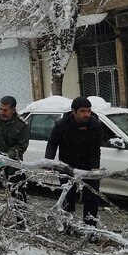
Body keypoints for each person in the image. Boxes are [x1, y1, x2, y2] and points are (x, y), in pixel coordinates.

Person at [44, 97, 103, 233]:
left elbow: (96, 149)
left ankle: (90, 229)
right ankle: (68, 226)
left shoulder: (95, 125)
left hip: (88, 164)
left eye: (89, 111)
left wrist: (94, 169)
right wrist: (49, 160)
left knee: (92, 198)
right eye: (82, 111)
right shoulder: (61, 124)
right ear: (73, 111)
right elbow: (52, 143)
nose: (86, 114)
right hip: (67, 164)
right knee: (67, 197)